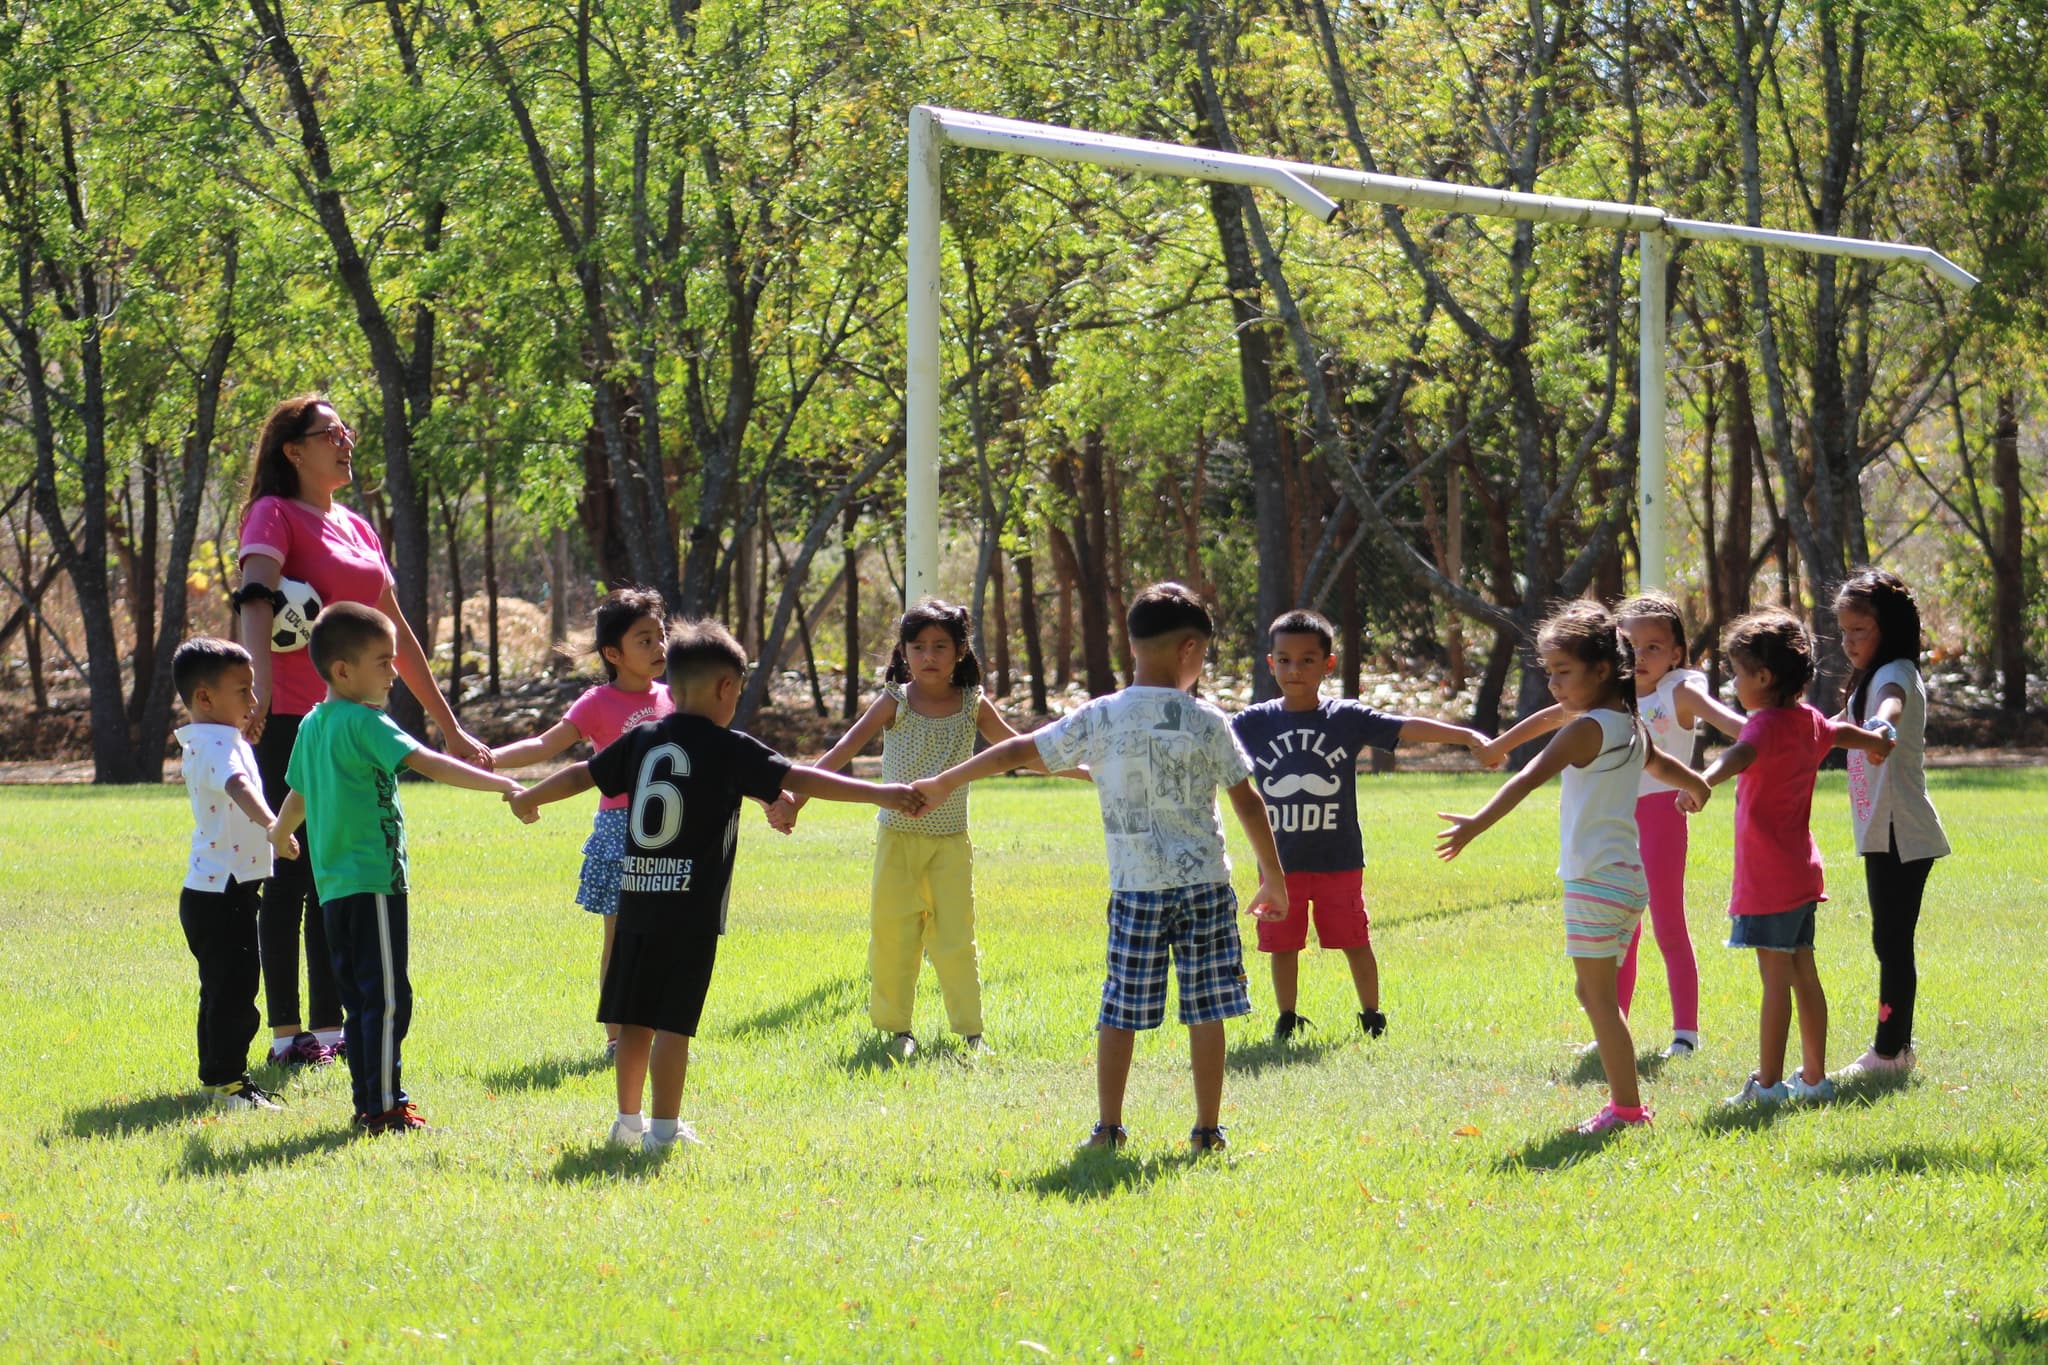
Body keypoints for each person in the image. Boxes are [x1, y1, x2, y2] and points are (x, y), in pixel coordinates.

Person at [508, 619, 924, 1153]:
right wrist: (883, 794)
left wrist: (531, 798)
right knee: (673, 1026)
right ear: (727, 688)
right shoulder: (730, 747)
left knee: (634, 1020)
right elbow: (803, 779)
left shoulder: (640, 738)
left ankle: (626, 1123)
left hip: (636, 902)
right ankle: (663, 1133)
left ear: (673, 687)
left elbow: (582, 775)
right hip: (689, 914)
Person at [912, 583, 1286, 1156]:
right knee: (1208, 1009)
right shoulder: (1207, 719)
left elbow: (1019, 752)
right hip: (1205, 885)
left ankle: (1108, 1128)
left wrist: (944, 780)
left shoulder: (1101, 716)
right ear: (1189, 650)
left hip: (1137, 890)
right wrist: (1273, 876)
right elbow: (1247, 800)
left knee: (1121, 1008)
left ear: (1134, 646)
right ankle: (1208, 1131)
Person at [234, 394, 494, 1070]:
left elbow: (395, 633)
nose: (345, 442)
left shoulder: (357, 526)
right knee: (291, 865)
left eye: (347, 432)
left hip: (357, 721)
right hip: (292, 716)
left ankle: (334, 1026)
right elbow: (255, 600)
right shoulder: (274, 514)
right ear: (294, 450)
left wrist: (449, 726)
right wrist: (255, 684)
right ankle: (289, 1034)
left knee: (338, 870)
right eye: (329, 434)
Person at [1436, 601, 1710, 1136]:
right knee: (1593, 995)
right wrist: (1696, 786)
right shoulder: (1628, 722)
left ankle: (1627, 1111)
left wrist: (1474, 825)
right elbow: (1662, 764)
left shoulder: (1586, 729)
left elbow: (1525, 779)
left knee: (1600, 1001)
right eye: (1550, 673)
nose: (1555, 685)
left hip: (1595, 880)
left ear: (1602, 669)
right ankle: (1627, 1102)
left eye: (1564, 672)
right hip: (1629, 878)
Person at [769, 599, 1081, 1060]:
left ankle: (971, 1034)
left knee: (956, 939)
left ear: (960, 652)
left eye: (940, 646)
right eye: (918, 647)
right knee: (894, 936)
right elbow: (841, 751)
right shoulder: (893, 702)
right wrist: (797, 799)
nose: (929, 656)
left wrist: (1083, 769)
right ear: (903, 651)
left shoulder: (973, 705)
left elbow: (1019, 751)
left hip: (951, 844)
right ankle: (898, 1031)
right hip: (897, 841)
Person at [266, 603, 523, 1133]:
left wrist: (279, 830)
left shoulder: (314, 723)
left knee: (363, 1000)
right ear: (343, 670)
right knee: (384, 1001)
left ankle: (370, 1098)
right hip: (373, 883)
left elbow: (298, 793)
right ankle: (383, 1108)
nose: (392, 672)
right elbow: (431, 762)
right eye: (383, 662)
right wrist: (503, 783)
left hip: (335, 887)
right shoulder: (365, 722)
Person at [1479, 593, 1747, 1058]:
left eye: (1655, 647)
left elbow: (1724, 719)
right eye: (1633, 645)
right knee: (1620, 932)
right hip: (1617, 821)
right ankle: (1611, 1023)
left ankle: (1685, 1032)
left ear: (1677, 653)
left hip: (1663, 817)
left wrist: (1760, 731)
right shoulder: (1608, 702)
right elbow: (1554, 716)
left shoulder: (1679, 690)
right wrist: (1500, 743)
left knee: (1667, 925)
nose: (1642, 657)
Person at [1232, 609, 1489, 1043]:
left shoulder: (1344, 717)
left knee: (1354, 939)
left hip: (1339, 860)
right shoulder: (1250, 723)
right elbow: (1203, 746)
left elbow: (1403, 726)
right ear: (1270, 663)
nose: (1295, 670)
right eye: (1285, 660)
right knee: (1282, 944)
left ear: (1327, 664)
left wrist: (1464, 735)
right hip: (1279, 865)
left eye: (1308, 660)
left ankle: (1372, 1014)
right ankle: (1287, 1017)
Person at [1674, 609, 1895, 1107]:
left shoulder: (1762, 729)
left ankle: (1769, 1086)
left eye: (1737, 672)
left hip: (1768, 879)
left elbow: (1734, 758)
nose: (1733, 683)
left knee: (1775, 982)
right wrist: (1878, 742)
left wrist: (1700, 783)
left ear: (1764, 677)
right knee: (1803, 973)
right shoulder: (1809, 722)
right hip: (1801, 873)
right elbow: (1843, 735)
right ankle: (1814, 1079)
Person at [491, 587, 674, 1060]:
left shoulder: (675, 698)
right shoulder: (596, 703)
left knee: (662, 938)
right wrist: (490, 758)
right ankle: (618, 1037)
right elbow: (543, 746)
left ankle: (657, 1029)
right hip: (618, 832)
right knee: (620, 936)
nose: (660, 648)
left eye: (661, 636)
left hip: (669, 833)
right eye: (645, 640)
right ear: (613, 653)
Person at [1828, 569, 1949, 1079]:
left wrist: (1881, 724)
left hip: (1902, 831)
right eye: (1845, 632)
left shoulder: (1893, 671)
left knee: (1892, 943)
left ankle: (1890, 1052)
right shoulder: (1874, 672)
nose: (1850, 642)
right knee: (1888, 940)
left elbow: (1891, 704)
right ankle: (1894, 1046)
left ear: (1890, 627)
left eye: (1861, 630)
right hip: (1885, 830)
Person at [172, 637, 297, 1111]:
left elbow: (234, 766)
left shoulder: (215, 739)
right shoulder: (215, 748)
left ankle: (218, 1078)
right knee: (235, 989)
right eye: (243, 691)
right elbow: (236, 783)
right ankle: (227, 1082)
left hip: (219, 889)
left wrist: (244, 740)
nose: (254, 700)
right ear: (205, 698)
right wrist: (273, 825)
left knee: (225, 986)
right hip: (220, 892)